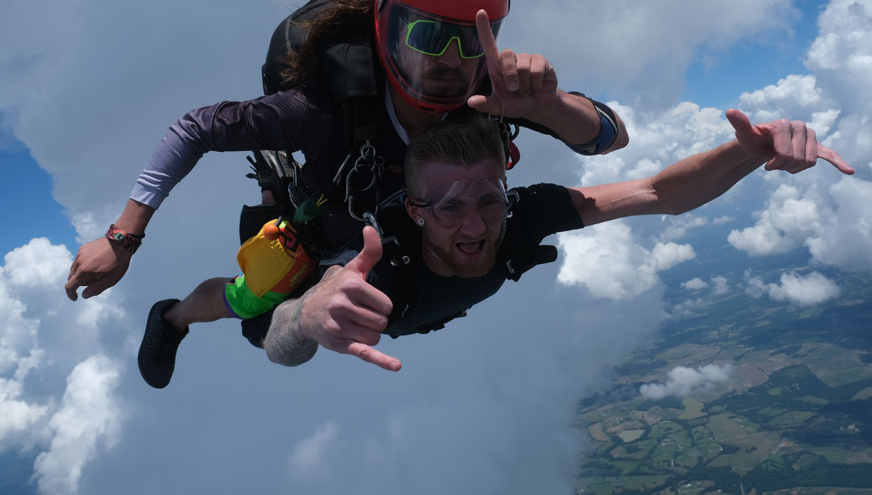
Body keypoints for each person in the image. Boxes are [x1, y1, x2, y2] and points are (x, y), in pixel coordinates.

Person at [63, 0, 630, 388]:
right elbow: (194, 129)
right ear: (388, 23)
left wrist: (550, 105)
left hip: (413, 219)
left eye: (469, 40)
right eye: (429, 36)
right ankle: (172, 317)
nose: (450, 61)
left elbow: (609, 137)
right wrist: (122, 239)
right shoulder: (320, 109)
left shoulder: (489, 93)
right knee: (255, 312)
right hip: (326, 221)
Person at [260, 110, 854, 371]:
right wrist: (308, 317)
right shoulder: (376, 257)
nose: (475, 225)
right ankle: (173, 316)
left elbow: (657, 193)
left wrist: (746, 152)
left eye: (488, 199)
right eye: (449, 207)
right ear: (415, 211)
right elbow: (279, 340)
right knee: (246, 308)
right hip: (308, 265)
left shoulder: (526, 212)